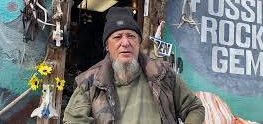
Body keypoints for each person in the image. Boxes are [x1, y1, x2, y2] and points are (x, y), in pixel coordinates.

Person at [63, 7, 205, 124]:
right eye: (117, 37)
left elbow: (194, 107)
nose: (125, 43)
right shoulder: (89, 84)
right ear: (107, 46)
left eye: (131, 36)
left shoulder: (162, 74)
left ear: (138, 42)